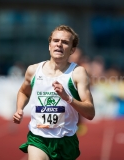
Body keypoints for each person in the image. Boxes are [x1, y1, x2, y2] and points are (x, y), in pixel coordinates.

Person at [13, 25, 95, 160]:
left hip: (66, 140)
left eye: (65, 42)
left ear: (72, 50)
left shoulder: (77, 73)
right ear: (49, 45)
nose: (59, 45)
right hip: (38, 137)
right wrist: (19, 109)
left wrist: (67, 98)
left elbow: (90, 113)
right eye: (56, 41)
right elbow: (24, 92)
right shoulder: (33, 70)